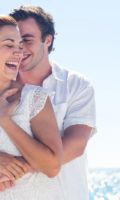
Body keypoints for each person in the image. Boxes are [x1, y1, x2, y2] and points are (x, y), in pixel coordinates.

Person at [8, 5, 96, 200]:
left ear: (47, 40)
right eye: (13, 41)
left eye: (26, 40)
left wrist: (11, 167)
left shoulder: (76, 85)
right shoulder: (3, 88)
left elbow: (76, 144)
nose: (19, 48)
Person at [0, 15, 64, 199]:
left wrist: (6, 121)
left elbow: (52, 166)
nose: (19, 52)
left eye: (20, 45)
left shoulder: (33, 97)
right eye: (9, 45)